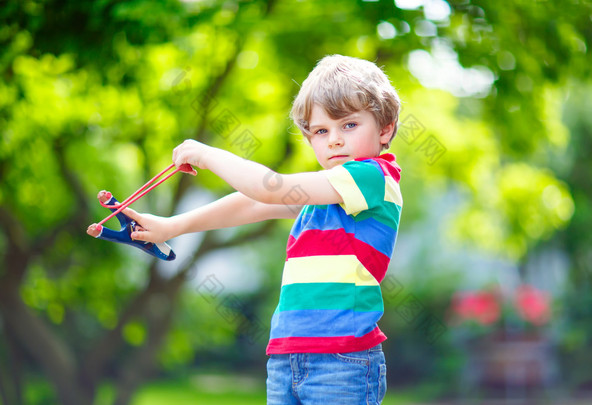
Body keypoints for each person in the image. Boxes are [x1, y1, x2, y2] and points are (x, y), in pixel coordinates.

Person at [91, 54, 402, 404]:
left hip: (342, 360)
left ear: (385, 128)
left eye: (348, 125)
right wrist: (171, 226)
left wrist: (207, 155)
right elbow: (253, 203)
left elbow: (270, 187)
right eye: (320, 131)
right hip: (287, 356)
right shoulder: (326, 193)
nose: (333, 141)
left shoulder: (372, 177)